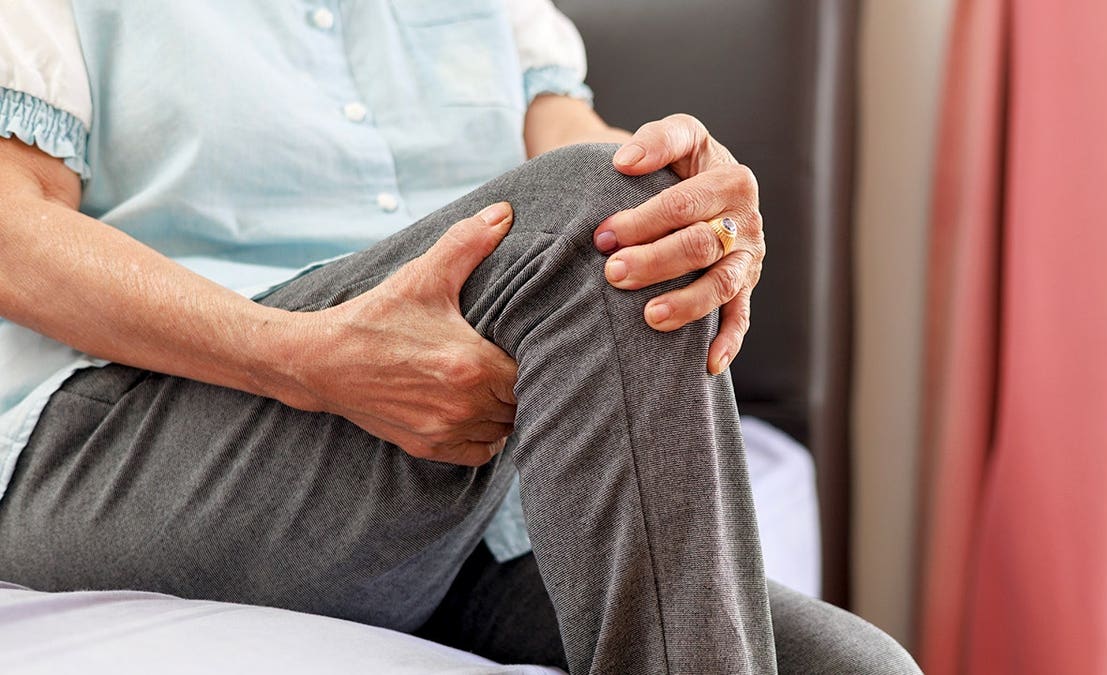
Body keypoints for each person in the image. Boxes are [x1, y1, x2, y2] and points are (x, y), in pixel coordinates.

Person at [0, 1, 919, 673]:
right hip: (137, 446)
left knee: (858, 669)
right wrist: (306, 358)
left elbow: (594, 158)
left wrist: (690, 207)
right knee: (603, 216)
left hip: (456, 500)